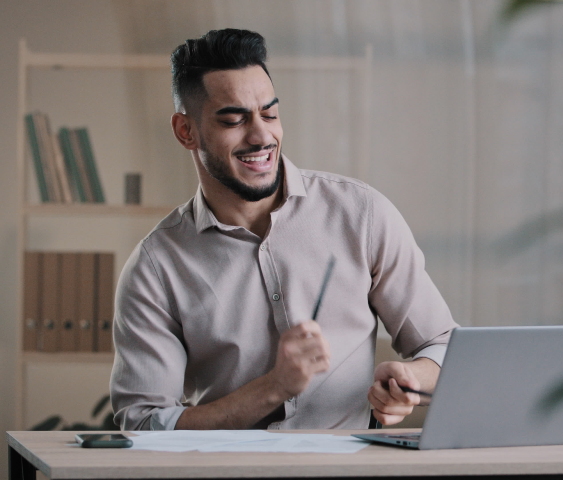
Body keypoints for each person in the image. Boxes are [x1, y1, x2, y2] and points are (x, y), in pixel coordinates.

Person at [109, 28, 458, 431]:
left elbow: (444, 345)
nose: (262, 136)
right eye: (234, 120)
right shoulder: (156, 266)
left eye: (270, 114)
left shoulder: (362, 214)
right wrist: (273, 388)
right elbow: (143, 424)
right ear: (186, 131)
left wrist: (412, 382)